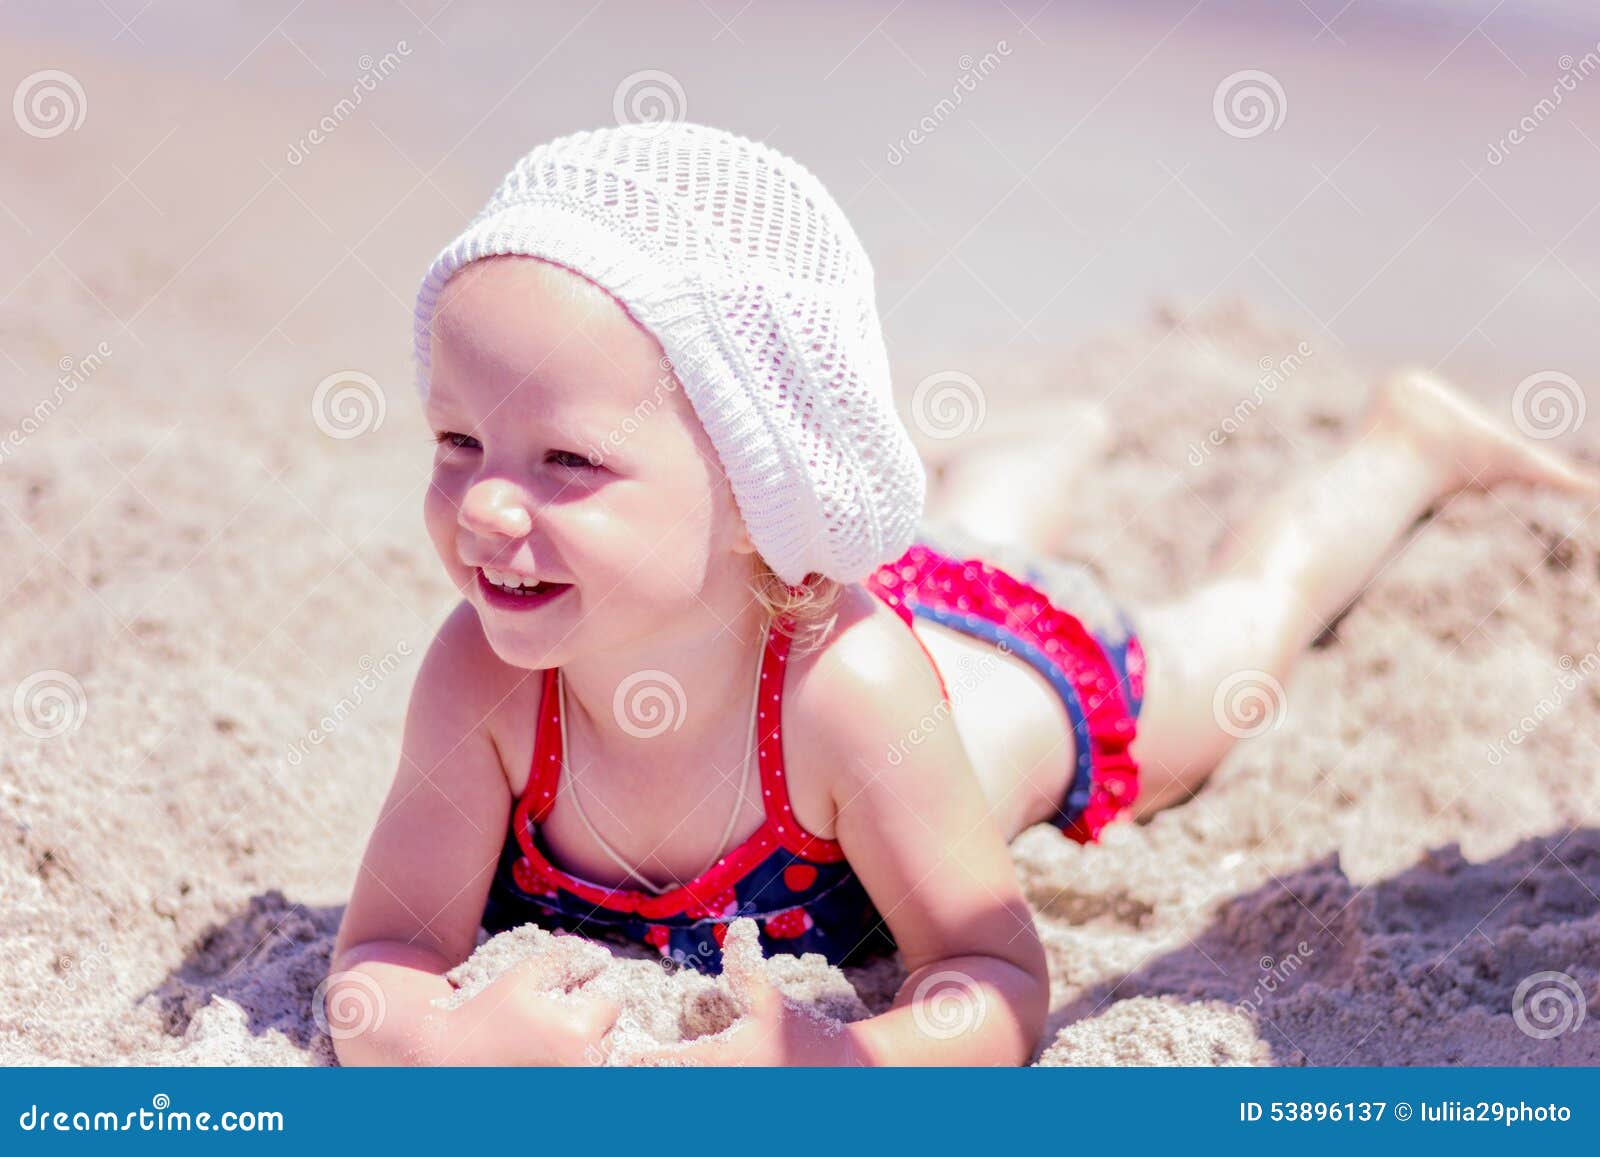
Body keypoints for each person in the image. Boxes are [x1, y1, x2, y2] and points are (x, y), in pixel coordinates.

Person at [329, 121, 1596, 1068]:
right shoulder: (484, 679)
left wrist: (847, 1063)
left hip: (1006, 670)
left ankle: (1403, 446)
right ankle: (1032, 453)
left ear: (753, 480)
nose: (489, 507)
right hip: (846, 585)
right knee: (963, 534)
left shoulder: (848, 689)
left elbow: (992, 974)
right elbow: (379, 954)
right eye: (456, 444)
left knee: (1229, 647)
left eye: (567, 462)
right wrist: (435, 1043)